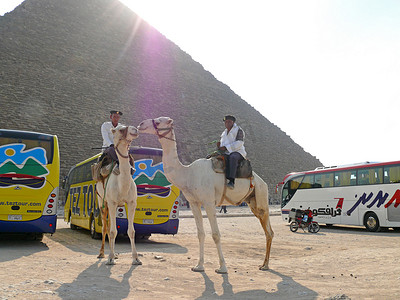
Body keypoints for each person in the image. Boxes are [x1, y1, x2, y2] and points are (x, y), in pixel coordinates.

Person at [216, 115, 247, 189]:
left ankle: (232, 181)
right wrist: (219, 147)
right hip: (227, 152)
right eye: (226, 122)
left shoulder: (238, 130)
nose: (227, 123)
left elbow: (239, 142)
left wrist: (226, 148)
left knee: (232, 157)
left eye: (229, 122)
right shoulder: (224, 133)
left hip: (238, 151)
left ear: (233, 122)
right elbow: (223, 143)